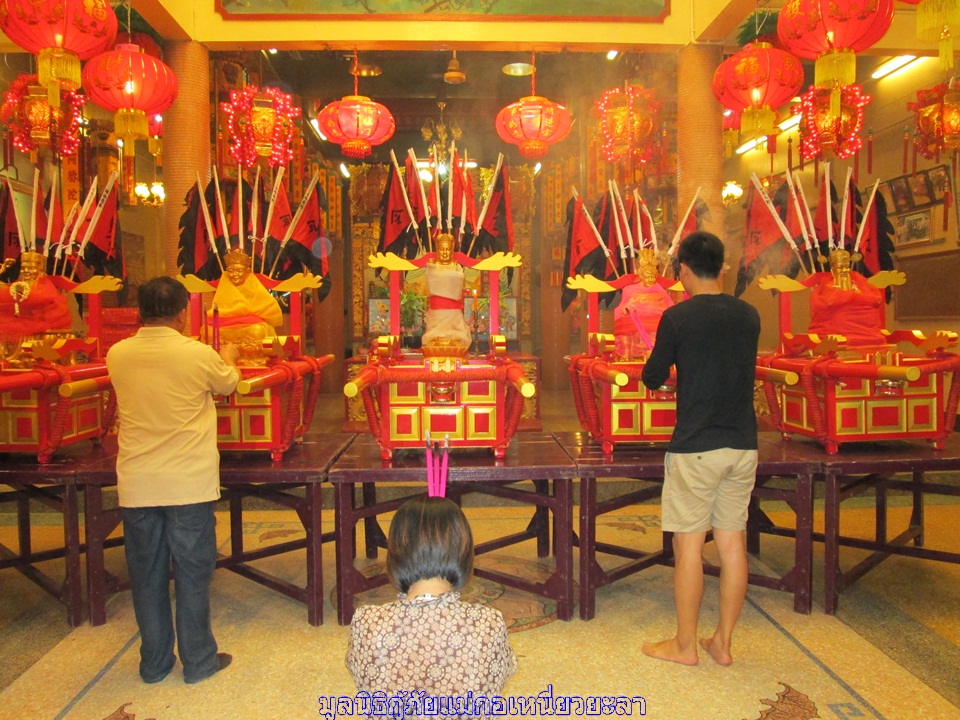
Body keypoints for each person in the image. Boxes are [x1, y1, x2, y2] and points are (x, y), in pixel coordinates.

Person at [106, 276, 240, 685]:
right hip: (187, 482)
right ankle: (198, 661)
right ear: (183, 313)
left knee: (146, 576)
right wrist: (229, 356)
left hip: (138, 483)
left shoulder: (117, 354)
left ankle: (154, 663)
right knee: (192, 574)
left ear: (139, 312)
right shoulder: (196, 354)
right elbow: (228, 383)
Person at [640, 231, 760, 666]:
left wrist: (671, 374)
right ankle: (722, 643)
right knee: (732, 544)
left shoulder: (678, 317)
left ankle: (685, 645)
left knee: (688, 547)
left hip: (696, 446)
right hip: (742, 445)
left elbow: (653, 376)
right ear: (721, 268)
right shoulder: (749, 315)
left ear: (684, 270)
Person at [346, 496, 517, 705]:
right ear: (463, 555)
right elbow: (499, 680)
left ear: (395, 556)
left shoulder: (367, 624)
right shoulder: (488, 624)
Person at [759, 247, 905, 346]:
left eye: (846, 266)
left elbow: (874, 299)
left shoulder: (859, 282)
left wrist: (853, 292)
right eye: (840, 267)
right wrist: (842, 293)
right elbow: (823, 304)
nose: (845, 271)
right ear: (833, 268)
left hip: (869, 336)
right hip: (834, 338)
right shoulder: (825, 287)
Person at [207, 247, 283, 346]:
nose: (235, 274)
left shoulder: (253, 285)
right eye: (231, 270)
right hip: (224, 327)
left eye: (239, 270)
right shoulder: (224, 283)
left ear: (247, 271)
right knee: (207, 331)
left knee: (257, 331)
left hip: (248, 327)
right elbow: (217, 312)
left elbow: (268, 310)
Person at [421, 233, 472, 351]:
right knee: (433, 342)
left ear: (452, 250)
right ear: (437, 250)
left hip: (453, 314)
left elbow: (459, 287)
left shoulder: (457, 267)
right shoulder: (432, 266)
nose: (444, 252)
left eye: (448, 249)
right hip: (436, 314)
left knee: (456, 342)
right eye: (442, 249)